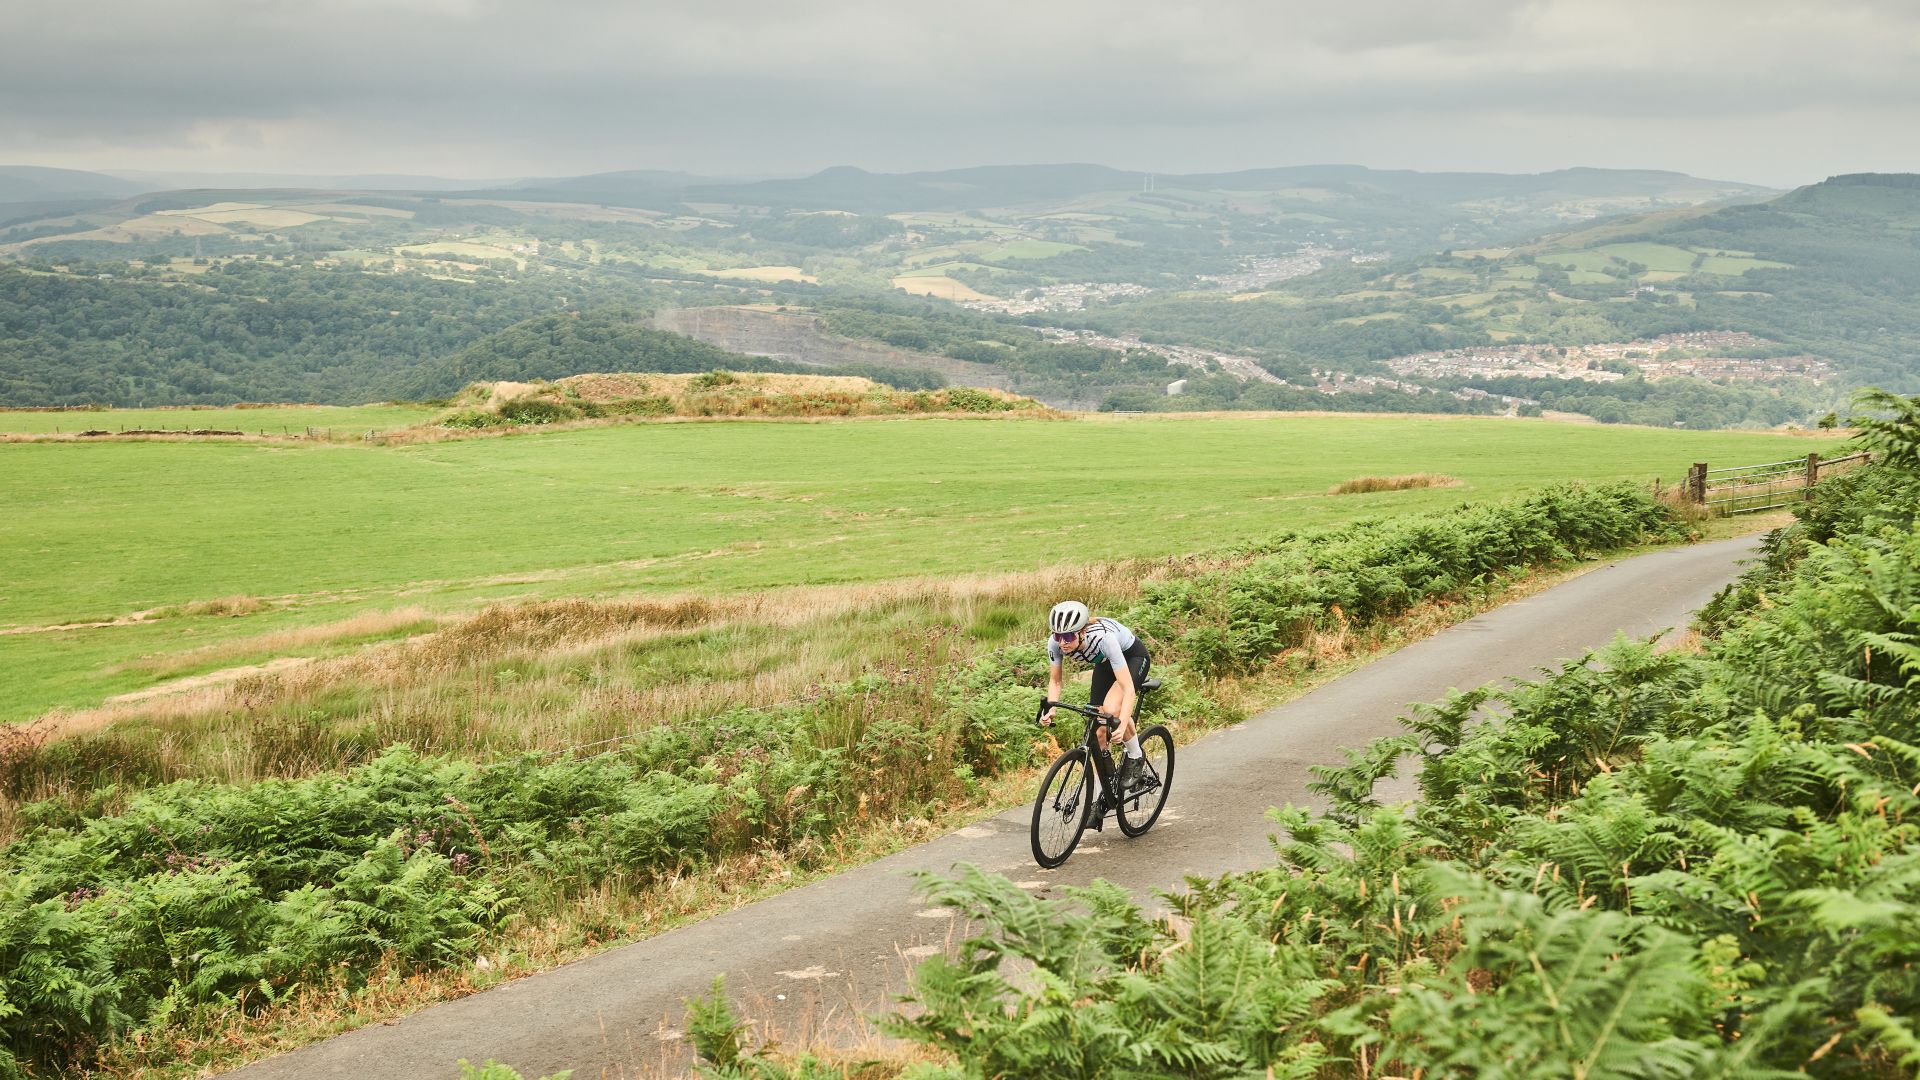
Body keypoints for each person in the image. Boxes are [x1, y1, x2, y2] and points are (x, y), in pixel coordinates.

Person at [1040, 599, 1152, 792]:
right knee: (1098, 729)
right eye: (1058, 635)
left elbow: (1128, 690)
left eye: (1068, 636)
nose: (1062, 642)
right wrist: (1051, 707)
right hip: (1106, 662)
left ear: (1082, 632)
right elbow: (1055, 681)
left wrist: (1121, 724)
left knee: (1111, 709)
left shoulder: (1104, 639)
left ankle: (1135, 755)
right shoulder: (1055, 644)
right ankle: (1104, 793)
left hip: (1132, 658)